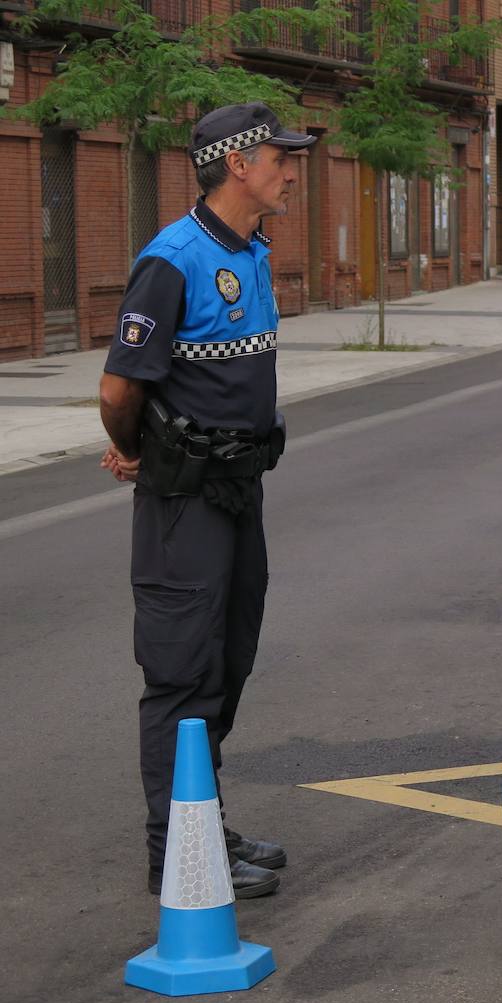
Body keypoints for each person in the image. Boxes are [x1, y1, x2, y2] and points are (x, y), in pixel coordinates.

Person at [99, 102, 314, 900]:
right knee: (181, 674)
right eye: (280, 157)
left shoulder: (251, 250)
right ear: (237, 164)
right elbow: (120, 384)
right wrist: (133, 448)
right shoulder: (174, 259)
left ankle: (204, 824)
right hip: (183, 500)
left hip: (237, 493)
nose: (291, 171)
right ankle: (175, 858)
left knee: (227, 664)